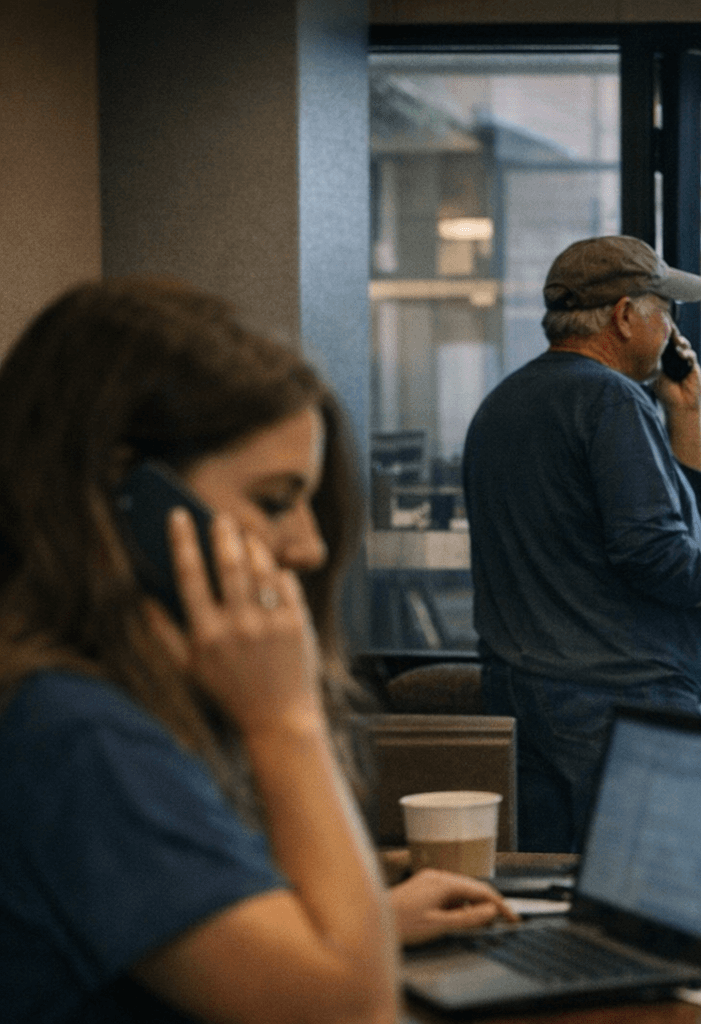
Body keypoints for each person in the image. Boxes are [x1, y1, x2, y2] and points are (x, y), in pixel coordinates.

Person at [0, 279, 407, 1023]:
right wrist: (284, 720)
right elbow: (353, 1012)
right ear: (132, 497)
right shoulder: (73, 732)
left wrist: (376, 923)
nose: (310, 547)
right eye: (276, 501)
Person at [464, 235, 701, 853]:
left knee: (552, 893)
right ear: (624, 315)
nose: (670, 329)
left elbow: (691, 524)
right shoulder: (608, 398)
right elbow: (665, 560)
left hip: (522, 697)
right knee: (647, 897)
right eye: (665, 311)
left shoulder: (503, 403)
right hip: (620, 704)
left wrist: (684, 415)